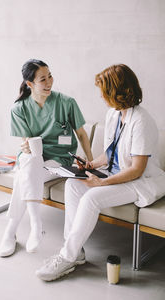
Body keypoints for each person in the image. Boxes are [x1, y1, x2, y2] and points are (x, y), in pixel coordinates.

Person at [36, 64, 165, 281]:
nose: (102, 97)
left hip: (137, 180)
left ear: (118, 91)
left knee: (91, 198)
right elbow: (110, 153)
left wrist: (102, 184)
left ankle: (67, 256)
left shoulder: (142, 122)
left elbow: (136, 169)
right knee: (73, 185)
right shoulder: (114, 114)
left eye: (104, 92)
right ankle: (75, 252)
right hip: (114, 173)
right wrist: (92, 165)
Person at [0, 59, 93, 257]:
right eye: (43, 79)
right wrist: (24, 146)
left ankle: (11, 232)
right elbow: (27, 143)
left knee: (24, 174)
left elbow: (82, 135)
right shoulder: (19, 109)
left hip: (58, 161)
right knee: (30, 162)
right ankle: (35, 225)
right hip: (33, 161)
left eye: (50, 76)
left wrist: (89, 162)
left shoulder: (66, 102)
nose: (49, 81)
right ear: (29, 84)